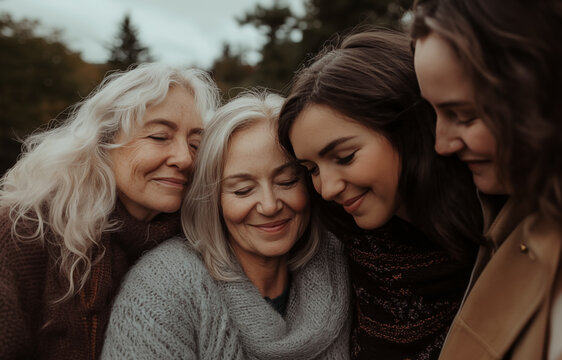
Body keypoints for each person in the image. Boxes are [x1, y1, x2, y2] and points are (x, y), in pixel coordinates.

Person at [411, 0, 562, 358]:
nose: (441, 144)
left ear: (552, 93)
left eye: (464, 115)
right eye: (435, 113)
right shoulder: (516, 211)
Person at [277, 28, 484, 359]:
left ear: (407, 129)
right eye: (312, 169)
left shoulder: (500, 230)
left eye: (345, 157)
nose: (328, 189)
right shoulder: (346, 249)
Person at [102, 91, 351, 359]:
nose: (269, 206)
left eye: (287, 182)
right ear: (212, 201)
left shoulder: (345, 264)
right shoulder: (162, 288)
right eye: (243, 190)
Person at [0, 62, 220, 359]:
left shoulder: (201, 245)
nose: (184, 158)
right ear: (104, 141)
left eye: (196, 144)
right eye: (159, 136)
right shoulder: (24, 232)